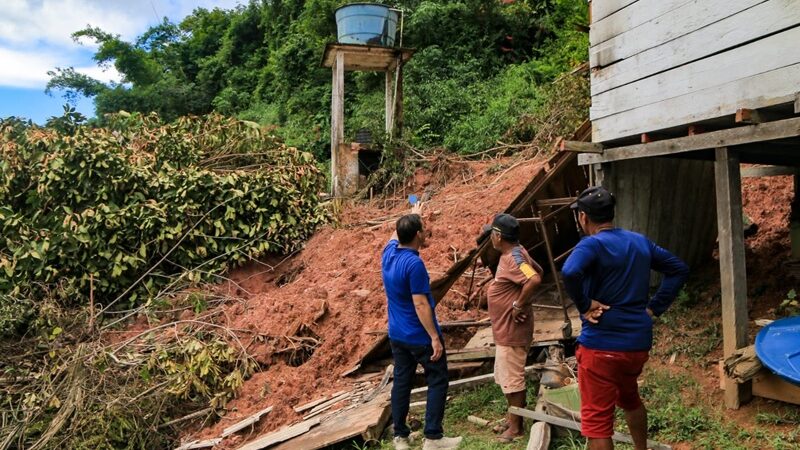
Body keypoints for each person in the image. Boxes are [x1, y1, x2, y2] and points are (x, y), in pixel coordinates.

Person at [562, 186, 689, 450]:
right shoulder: (639, 241)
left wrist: (585, 305)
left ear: (583, 217)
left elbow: (570, 271)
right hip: (636, 346)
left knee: (598, 424)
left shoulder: (592, 244)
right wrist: (654, 308)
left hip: (601, 346)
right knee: (630, 398)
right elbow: (678, 269)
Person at [382, 201, 463, 450]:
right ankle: (433, 438)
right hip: (418, 335)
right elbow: (420, 305)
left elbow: (394, 234)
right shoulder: (414, 264)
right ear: (418, 235)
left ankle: (401, 438)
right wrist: (434, 338)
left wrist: (413, 215)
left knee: (402, 383)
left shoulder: (389, 253)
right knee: (438, 379)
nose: (427, 232)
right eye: (424, 228)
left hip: (396, 334)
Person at [485, 213, 543, 443]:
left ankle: (516, 428)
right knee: (507, 377)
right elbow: (537, 271)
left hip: (512, 331)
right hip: (506, 330)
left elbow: (535, 279)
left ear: (498, 236)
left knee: (513, 379)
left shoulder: (514, 257)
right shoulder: (515, 253)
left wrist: (519, 304)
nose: (491, 238)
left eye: (492, 234)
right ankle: (513, 418)